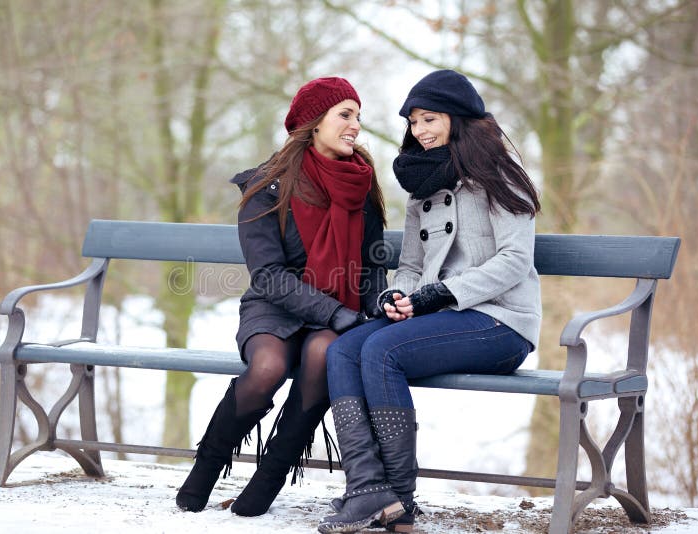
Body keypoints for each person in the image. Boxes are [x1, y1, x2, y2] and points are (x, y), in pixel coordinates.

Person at [318, 69, 542, 533]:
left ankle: (399, 500)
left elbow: (515, 260)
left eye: (429, 119)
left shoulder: (500, 176)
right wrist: (399, 294)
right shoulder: (423, 188)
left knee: (382, 350)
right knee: (343, 349)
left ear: (457, 119)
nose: (419, 131)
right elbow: (413, 266)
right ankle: (366, 490)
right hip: (440, 316)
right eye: (414, 122)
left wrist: (441, 294)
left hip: (501, 321)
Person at [176, 77, 388, 517]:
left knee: (324, 357)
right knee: (268, 367)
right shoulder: (267, 185)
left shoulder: (361, 185)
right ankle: (207, 465)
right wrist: (335, 311)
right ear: (314, 123)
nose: (355, 126)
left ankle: (268, 480)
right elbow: (268, 275)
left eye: (358, 117)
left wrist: (372, 307)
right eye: (344, 115)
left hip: (337, 312)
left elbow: (370, 265)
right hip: (275, 305)